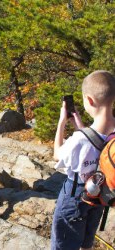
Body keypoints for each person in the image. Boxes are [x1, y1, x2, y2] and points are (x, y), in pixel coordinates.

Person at [51, 70, 115, 250]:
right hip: (100, 197)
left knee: (63, 244)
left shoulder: (79, 139)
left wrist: (62, 123)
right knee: (86, 243)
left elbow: (57, 154)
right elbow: (100, 146)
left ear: (89, 100)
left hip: (75, 197)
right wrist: (80, 126)